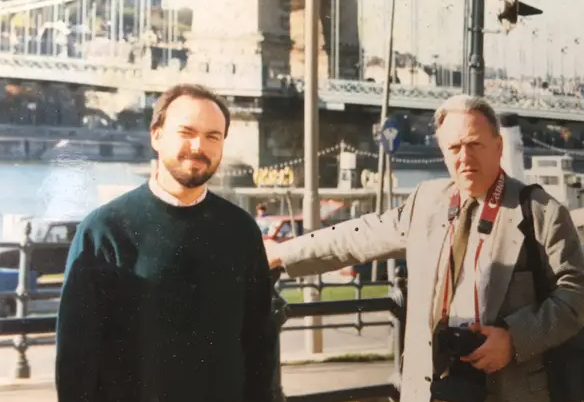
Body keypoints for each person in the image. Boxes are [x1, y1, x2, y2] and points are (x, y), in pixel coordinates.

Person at [266, 94, 584, 402]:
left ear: (498, 146)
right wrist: (281, 253)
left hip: (510, 388)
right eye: (454, 147)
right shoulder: (426, 202)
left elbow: (575, 295)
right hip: (434, 388)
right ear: (443, 152)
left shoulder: (540, 211)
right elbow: (360, 235)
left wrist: (514, 339)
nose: (464, 157)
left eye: (474, 144)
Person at [56, 83, 277, 402]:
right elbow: (76, 358)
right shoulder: (105, 230)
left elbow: (259, 344)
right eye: (186, 132)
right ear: (156, 135)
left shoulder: (241, 229)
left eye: (213, 136)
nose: (198, 146)